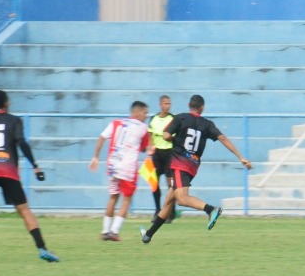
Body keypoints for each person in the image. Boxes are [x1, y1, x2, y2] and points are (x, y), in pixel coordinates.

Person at [0, 89, 60, 263]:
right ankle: (42, 248)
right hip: (8, 171)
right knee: (23, 209)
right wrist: (35, 166)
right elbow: (22, 142)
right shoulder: (14, 121)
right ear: (7, 102)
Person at [140, 94, 251, 243]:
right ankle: (148, 235)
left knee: (181, 199)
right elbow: (222, 138)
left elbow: (166, 135)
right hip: (193, 165)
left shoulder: (180, 118)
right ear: (202, 108)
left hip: (179, 162)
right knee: (168, 201)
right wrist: (241, 157)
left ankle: (211, 210)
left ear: (189, 105)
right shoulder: (207, 124)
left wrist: (174, 138)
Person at [88, 100, 151, 242]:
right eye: (145, 113)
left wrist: (95, 157)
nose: (146, 116)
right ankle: (114, 232)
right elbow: (144, 148)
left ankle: (105, 231)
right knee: (126, 199)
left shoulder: (116, 123)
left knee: (113, 197)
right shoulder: (142, 128)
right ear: (136, 112)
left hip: (113, 164)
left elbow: (102, 137)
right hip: (128, 166)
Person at [147, 95, 175, 222]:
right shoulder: (154, 119)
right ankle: (157, 210)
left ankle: (170, 211)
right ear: (160, 105)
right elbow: (150, 135)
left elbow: (176, 136)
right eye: (165, 103)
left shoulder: (173, 119)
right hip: (157, 154)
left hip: (169, 152)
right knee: (154, 183)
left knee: (170, 183)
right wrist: (150, 148)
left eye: (169, 103)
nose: (167, 106)